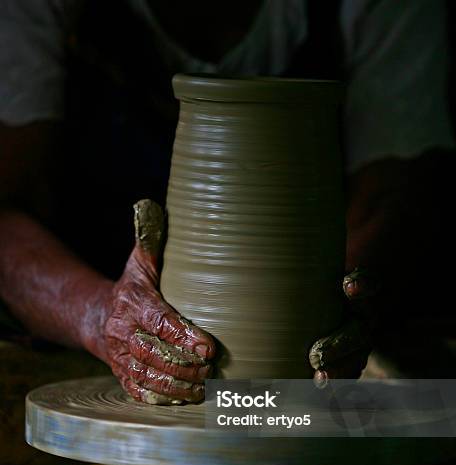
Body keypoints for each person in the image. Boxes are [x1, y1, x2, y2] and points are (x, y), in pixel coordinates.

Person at [0, 0, 454, 404]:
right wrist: (101, 315)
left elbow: (394, 194)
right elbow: (5, 210)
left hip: (306, 376)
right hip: (87, 340)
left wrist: (316, 317)